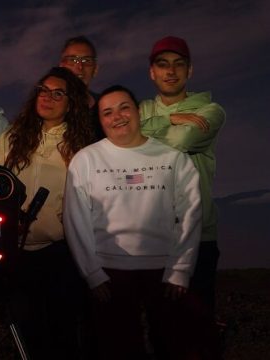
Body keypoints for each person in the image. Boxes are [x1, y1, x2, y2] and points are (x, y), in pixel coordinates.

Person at [64, 85, 204, 359]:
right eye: (107, 112)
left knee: (173, 345)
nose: (117, 116)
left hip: (164, 271)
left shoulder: (172, 158)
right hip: (110, 273)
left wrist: (181, 268)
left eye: (124, 107)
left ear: (138, 111)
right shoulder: (86, 160)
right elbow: (75, 218)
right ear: (100, 120)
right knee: (119, 348)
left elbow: (190, 213)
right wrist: (92, 273)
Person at [0, 66, 97, 359]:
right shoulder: (14, 136)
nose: (47, 97)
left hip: (61, 253)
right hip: (17, 251)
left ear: (71, 102)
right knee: (28, 333)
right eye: (43, 90)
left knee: (63, 333)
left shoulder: (79, 145)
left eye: (57, 93)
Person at [140, 36, 226, 315]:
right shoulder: (140, 109)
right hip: (152, 236)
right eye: (162, 64)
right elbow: (118, 135)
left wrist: (142, 134)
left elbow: (184, 141)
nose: (171, 71)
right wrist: (170, 120)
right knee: (160, 327)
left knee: (198, 326)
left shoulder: (210, 110)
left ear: (189, 71)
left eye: (179, 64)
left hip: (199, 236)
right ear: (152, 72)